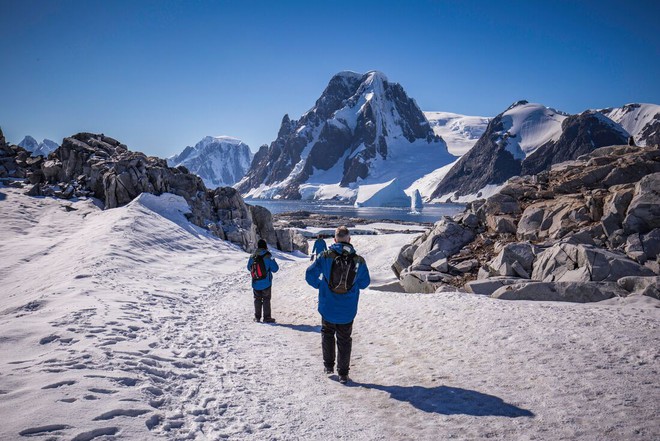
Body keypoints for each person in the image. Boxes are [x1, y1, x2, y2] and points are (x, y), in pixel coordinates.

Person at [305, 226, 370, 384]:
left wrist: (321, 285)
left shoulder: (325, 256)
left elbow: (309, 275)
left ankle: (328, 366)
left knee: (327, 334)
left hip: (328, 306)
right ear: (349, 239)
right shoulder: (358, 260)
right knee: (344, 339)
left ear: (334, 240)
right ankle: (343, 373)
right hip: (347, 309)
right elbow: (364, 283)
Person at [247, 239, 279, 323]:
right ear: (265, 246)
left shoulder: (252, 255)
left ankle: (257, 317)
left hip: (256, 282)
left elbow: (248, 267)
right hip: (266, 282)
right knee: (266, 299)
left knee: (257, 299)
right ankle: (267, 317)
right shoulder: (268, 255)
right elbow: (275, 269)